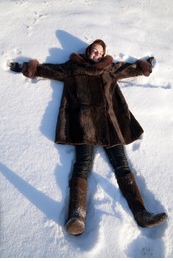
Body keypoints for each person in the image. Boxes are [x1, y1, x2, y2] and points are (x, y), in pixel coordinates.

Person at [10, 39, 168, 236]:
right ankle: (77, 216)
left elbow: (130, 70)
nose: (97, 55)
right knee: (83, 164)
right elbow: (47, 70)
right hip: (84, 125)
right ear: (87, 52)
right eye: (94, 51)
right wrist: (26, 68)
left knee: (122, 165)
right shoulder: (73, 68)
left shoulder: (110, 68)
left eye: (100, 53)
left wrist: (145, 65)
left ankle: (141, 214)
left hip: (110, 125)